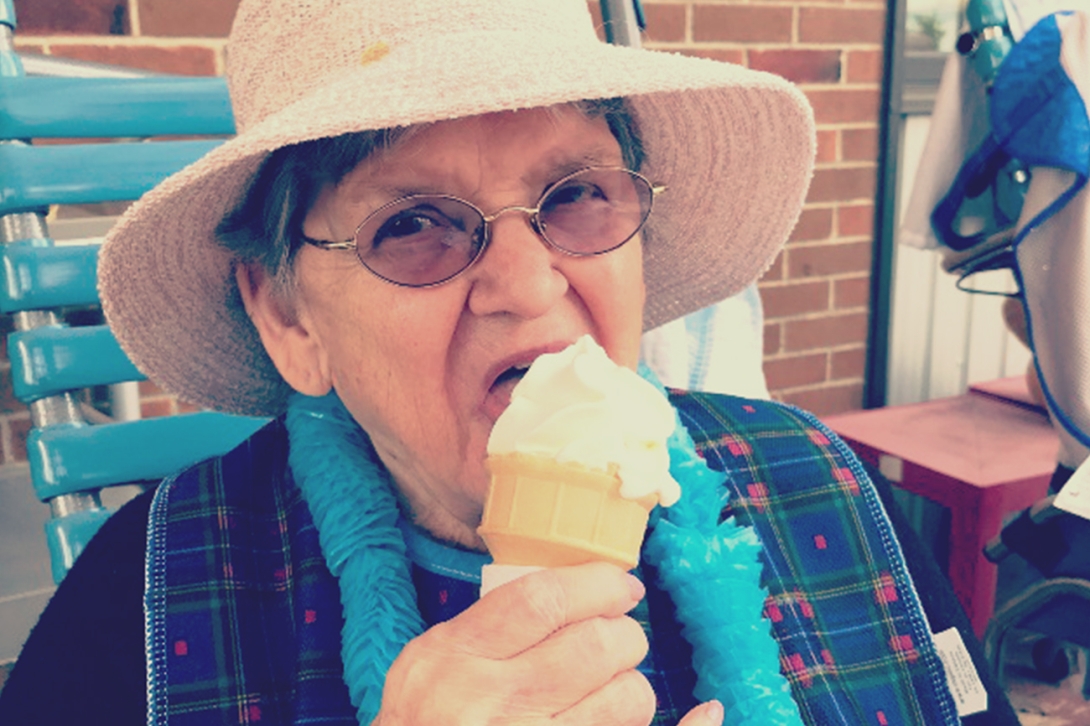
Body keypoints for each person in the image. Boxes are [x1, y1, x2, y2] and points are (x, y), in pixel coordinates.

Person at [0, 1, 1020, 724]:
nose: (529, 286)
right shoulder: (142, 606)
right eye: (413, 224)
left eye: (577, 194)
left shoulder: (822, 484)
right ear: (288, 317)